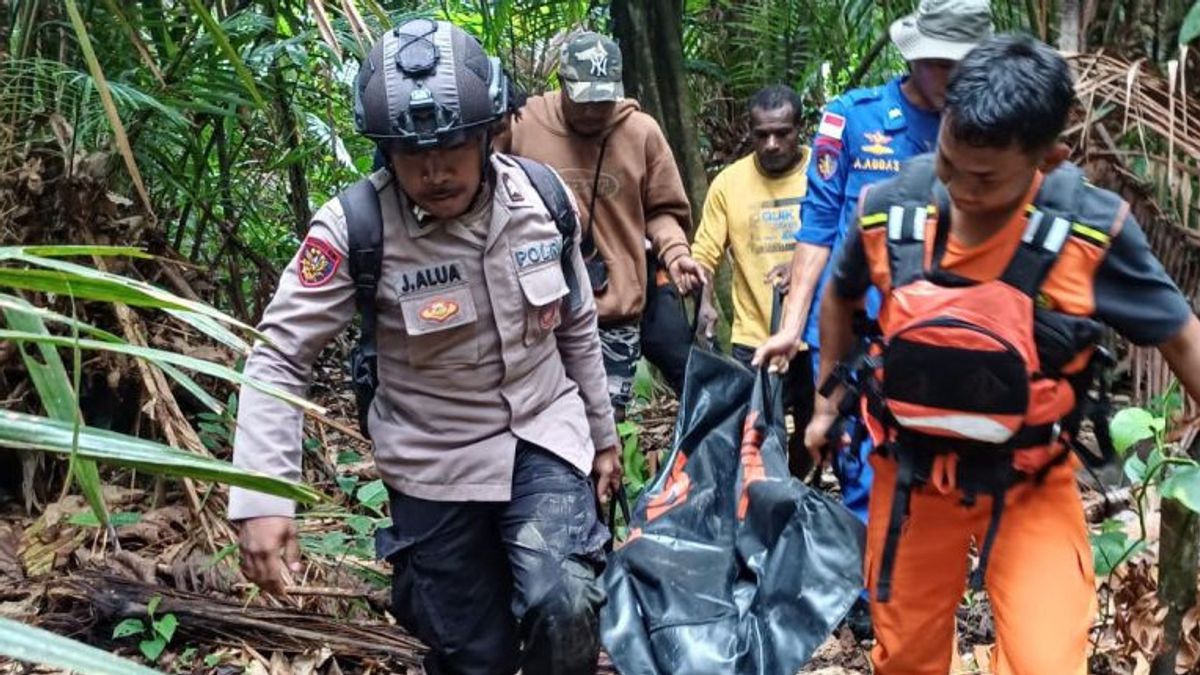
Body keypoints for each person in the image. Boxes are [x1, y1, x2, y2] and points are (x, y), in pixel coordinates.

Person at [228, 20, 621, 675]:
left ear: (488, 133)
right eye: (413, 155)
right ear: (385, 152)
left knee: (567, 600)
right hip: (432, 460)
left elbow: (576, 323)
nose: (435, 171)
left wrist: (603, 437)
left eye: (451, 148)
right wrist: (264, 499)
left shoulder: (544, 200)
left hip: (543, 435)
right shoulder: (354, 228)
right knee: (474, 655)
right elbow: (279, 355)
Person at [810, 34, 1200, 674]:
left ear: (1048, 159)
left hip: (1030, 482)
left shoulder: (1088, 231)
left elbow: (1181, 334)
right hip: (910, 474)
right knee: (905, 658)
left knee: (1047, 661)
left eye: (985, 177)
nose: (958, 189)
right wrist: (827, 403)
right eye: (947, 163)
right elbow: (842, 294)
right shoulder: (892, 210)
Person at [754, 0, 994, 523]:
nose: (949, 78)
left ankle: (918, 589)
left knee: (943, 474)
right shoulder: (854, 119)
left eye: (962, 65)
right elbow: (818, 228)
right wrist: (792, 325)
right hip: (855, 332)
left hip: (948, 334)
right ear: (912, 55)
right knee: (863, 470)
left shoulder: (991, 129)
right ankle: (872, 595)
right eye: (938, 62)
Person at [504, 31, 705, 422]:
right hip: (541, 316)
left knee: (605, 429)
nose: (596, 110)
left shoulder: (641, 132)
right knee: (546, 428)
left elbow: (662, 210)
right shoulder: (524, 126)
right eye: (585, 100)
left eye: (604, 98)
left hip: (614, 313)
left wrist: (676, 252)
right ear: (561, 84)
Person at [693, 84, 814, 477]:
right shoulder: (729, 184)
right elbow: (704, 255)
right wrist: (705, 300)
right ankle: (769, 512)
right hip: (754, 338)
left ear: (801, 127)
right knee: (763, 435)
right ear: (750, 131)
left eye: (783, 132)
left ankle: (802, 497)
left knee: (813, 432)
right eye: (762, 134)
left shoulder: (823, 172)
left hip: (813, 336)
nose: (773, 143)